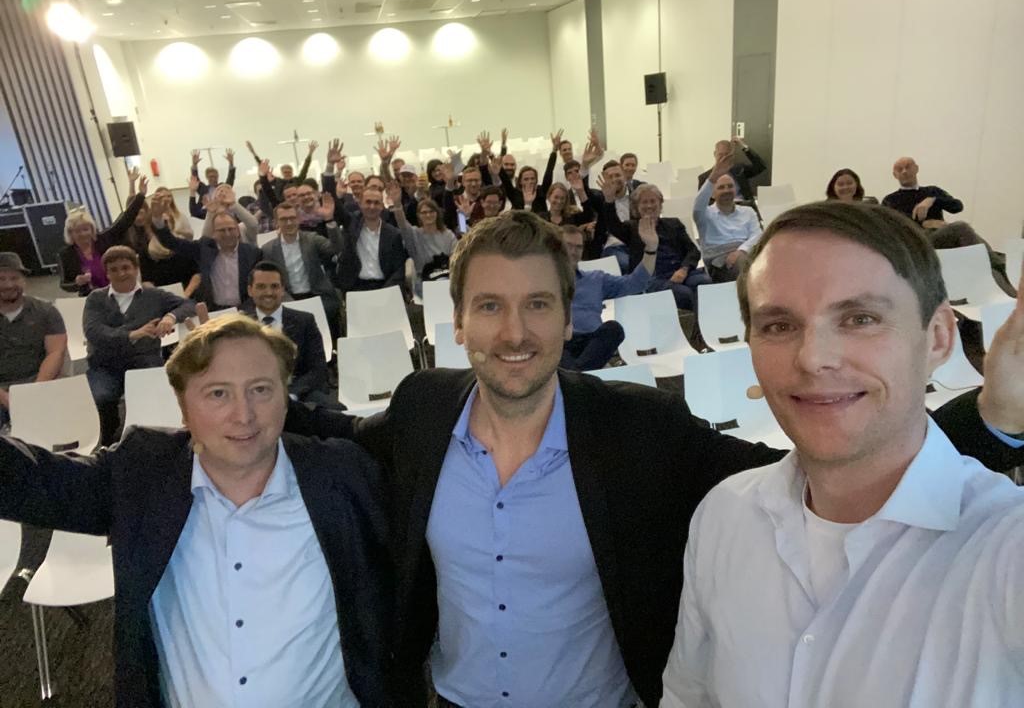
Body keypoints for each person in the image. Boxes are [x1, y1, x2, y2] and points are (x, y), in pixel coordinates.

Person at [283, 209, 1023, 707]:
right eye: (489, 306)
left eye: (539, 304)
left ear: (569, 313)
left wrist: (993, 417)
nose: (514, 331)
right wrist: (223, 402)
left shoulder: (637, 428)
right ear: (457, 320)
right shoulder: (420, 410)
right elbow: (333, 445)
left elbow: (830, 459)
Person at [661, 200, 1024, 707]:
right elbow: (689, 697)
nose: (813, 358)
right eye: (779, 325)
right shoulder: (724, 514)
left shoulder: (1004, 545)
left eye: (859, 318)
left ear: (939, 337)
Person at [0, 313, 389, 706]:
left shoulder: (344, 474)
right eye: (218, 393)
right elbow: (29, 481)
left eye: (261, 389)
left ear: (285, 399)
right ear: (183, 409)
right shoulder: (142, 475)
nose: (244, 414)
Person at [83, 245, 195, 444]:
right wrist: (132, 335)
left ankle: (155, 440)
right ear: (107, 274)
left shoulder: (155, 296)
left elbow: (189, 305)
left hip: (144, 360)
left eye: (126, 267)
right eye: (114, 270)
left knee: (156, 397)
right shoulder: (95, 298)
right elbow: (93, 332)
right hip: (105, 365)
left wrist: (170, 317)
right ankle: (108, 439)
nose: (121, 273)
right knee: (101, 397)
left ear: (136, 269)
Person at [240, 261, 336, 407]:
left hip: (299, 394)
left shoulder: (305, 321)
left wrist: (290, 394)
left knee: (335, 411)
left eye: (274, 286)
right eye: (261, 287)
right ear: (250, 290)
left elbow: (318, 369)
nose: (268, 292)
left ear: (283, 289)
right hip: (253, 398)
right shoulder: (240, 326)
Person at [560, 224, 654, 371]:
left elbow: (636, 283)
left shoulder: (596, 279)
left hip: (593, 343)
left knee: (614, 329)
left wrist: (651, 249)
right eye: (568, 245)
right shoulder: (542, 282)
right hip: (560, 343)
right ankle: (580, 376)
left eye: (578, 247)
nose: (573, 251)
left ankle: (575, 376)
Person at [608, 183, 709, 311]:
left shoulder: (674, 223)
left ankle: (706, 326)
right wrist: (609, 201)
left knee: (705, 284)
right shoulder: (631, 228)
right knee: (684, 294)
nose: (649, 205)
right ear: (637, 207)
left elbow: (693, 251)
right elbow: (612, 224)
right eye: (644, 202)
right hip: (652, 278)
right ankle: (697, 328)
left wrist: (684, 269)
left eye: (653, 201)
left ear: (660, 204)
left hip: (680, 272)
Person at [151, 198, 262, 310]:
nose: (227, 234)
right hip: (214, 311)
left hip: (245, 310)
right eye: (222, 230)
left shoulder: (252, 253)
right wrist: (157, 219)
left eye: (231, 229)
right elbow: (172, 243)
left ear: (238, 231)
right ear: (213, 233)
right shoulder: (204, 249)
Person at [0, 252, 67, 427]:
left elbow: (55, 353)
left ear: (24, 281)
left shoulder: (46, 312)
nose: (8, 285)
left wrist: (34, 392)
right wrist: (4, 398)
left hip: (39, 383)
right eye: (1, 279)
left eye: (14, 278)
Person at [261, 201, 342, 343]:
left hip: (318, 296)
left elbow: (337, 248)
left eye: (292, 218)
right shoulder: (268, 249)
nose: (289, 222)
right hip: (288, 300)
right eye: (284, 219)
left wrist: (329, 220)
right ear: (276, 223)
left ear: (298, 219)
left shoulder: (312, 239)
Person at [59, 178, 147, 295]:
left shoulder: (104, 239)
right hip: (91, 296)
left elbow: (125, 220)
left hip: (119, 289)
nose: (83, 234)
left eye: (86, 229)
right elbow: (64, 284)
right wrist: (77, 283)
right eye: (77, 231)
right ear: (70, 233)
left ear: (92, 229)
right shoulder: (65, 254)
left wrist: (140, 195)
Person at [335, 184, 408, 296]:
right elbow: (336, 208)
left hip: (386, 288)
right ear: (360, 204)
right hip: (356, 288)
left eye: (376, 203)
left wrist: (386, 291)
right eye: (368, 202)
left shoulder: (393, 234)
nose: (372, 206)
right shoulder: (351, 226)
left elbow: (398, 270)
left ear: (382, 206)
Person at [693, 165, 762, 282]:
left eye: (730, 186)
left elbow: (758, 234)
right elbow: (698, 205)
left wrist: (741, 251)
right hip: (718, 261)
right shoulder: (704, 215)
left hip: (746, 253)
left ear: (735, 190)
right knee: (746, 265)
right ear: (712, 194)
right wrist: (712, 177)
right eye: (721, 187)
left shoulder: (748, 211)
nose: (726, 190)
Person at [387, 183, 456, 296]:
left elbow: (455, 257)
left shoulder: (448, 234)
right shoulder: (414, 234)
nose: (428, 215)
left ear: (437, 214)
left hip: (447, 277)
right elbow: (402, 223)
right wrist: (397, 204)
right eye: (424, 212)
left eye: (431, 212)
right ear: (419, 215)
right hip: (425, 280)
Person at [882, 156, 963, 227]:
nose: (904, 171)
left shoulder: (933, 191)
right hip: (908, 241)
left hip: (938, 239)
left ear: (916, 168)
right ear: (895, 175)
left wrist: (933, 200)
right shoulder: (889, 200)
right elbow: (888, 225)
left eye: (908, 167)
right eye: (900, 169)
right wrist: (924, 224)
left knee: (962, 227)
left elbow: (957, 207)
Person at [697, 136, 767, 202]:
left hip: (744, 208)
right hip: (720, 211)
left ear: (731, 155)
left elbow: (760, 166)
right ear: (715, 154)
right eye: (720, 155)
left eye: (727, 155)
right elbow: (703, 203)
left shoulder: (739, 170)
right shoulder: (704, 178)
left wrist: (743, 146)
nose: (724, 158)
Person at [188, 148, 236, 217]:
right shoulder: (203, 189)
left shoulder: (222, 187)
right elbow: (195, 180)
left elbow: (230, 179)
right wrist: (194, 165)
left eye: (214, 176)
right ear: (207, 177)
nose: (213, 178)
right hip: (208, 215)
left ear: (217, 176)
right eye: (210, 176)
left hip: (225, 213)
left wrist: (231, 163)